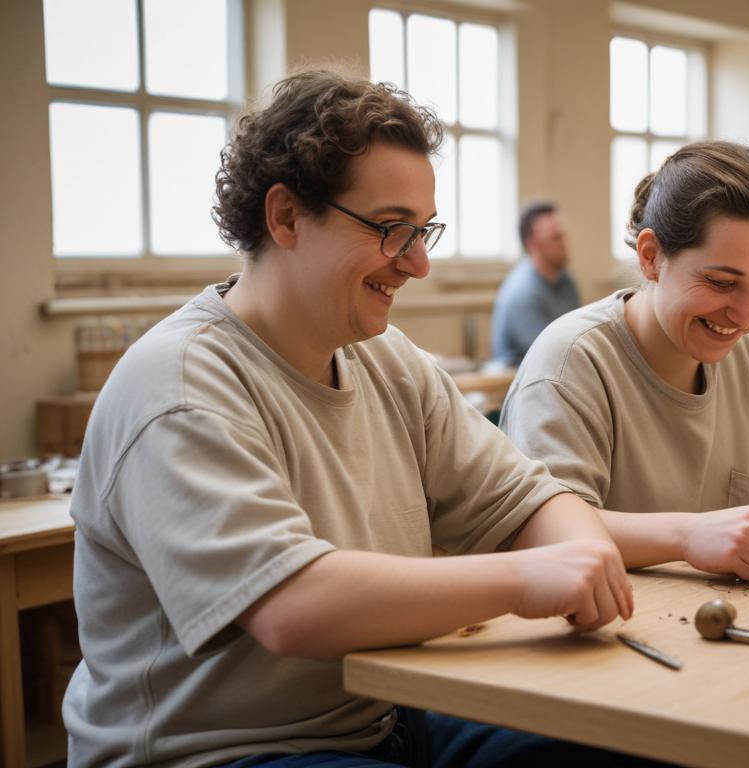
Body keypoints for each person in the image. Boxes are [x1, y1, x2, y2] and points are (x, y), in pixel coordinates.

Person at [61, 71, 643, 768]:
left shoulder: (388, 361)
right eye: (393, 229)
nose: (419, 264)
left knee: (621, 747)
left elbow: (527, 498)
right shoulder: (180, 383)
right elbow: (291, 606)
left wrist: (583, 554)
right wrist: (526, 579)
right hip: (222, 754)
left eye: (423, 231)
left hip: (382, 719)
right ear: (284, 218)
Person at [500, 141, 749, 580]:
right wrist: (686, 536)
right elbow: (543, 529)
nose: (745, 315)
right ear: (650, 257)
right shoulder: (570, 363)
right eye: (720, 282)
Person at [490, 202, 581, 367]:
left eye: (563, 235)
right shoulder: (523, 293)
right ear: (533, 245)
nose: (564, 243)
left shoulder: (566, 282)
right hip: (520, 381)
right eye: (555, 237)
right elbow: (552, 354)